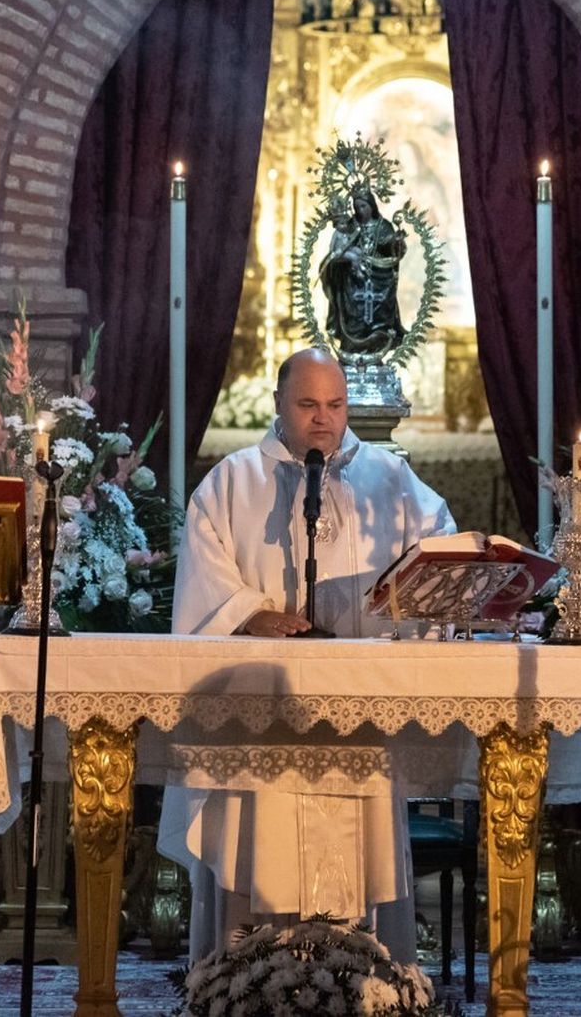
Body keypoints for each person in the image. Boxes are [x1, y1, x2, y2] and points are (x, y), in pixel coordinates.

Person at [166, 347, 454, 961]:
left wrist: (408, 595)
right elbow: (203, 573)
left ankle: (367, 983)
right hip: (258, 718)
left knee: (360, 856)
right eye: (307, 404)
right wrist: (248, 612)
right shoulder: (233, 481)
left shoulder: (389, 479)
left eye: (335, 404)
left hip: (359, 711)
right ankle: (245, 981)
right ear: (278, 405)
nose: (323, 419)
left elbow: (439, 549)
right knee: (256, 847)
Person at [319, 185, 407, 361]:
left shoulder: (384, 226)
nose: (360, 210)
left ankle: (375, 351)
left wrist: (397, 242)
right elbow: (337, 251)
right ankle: (351, 353)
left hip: (380, 282)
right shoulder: (349, 225)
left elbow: (393, 250)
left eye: (363, 206)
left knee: (379, 319)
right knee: (354, 318)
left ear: (372, 206)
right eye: (357, 207)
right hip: (352, 284)